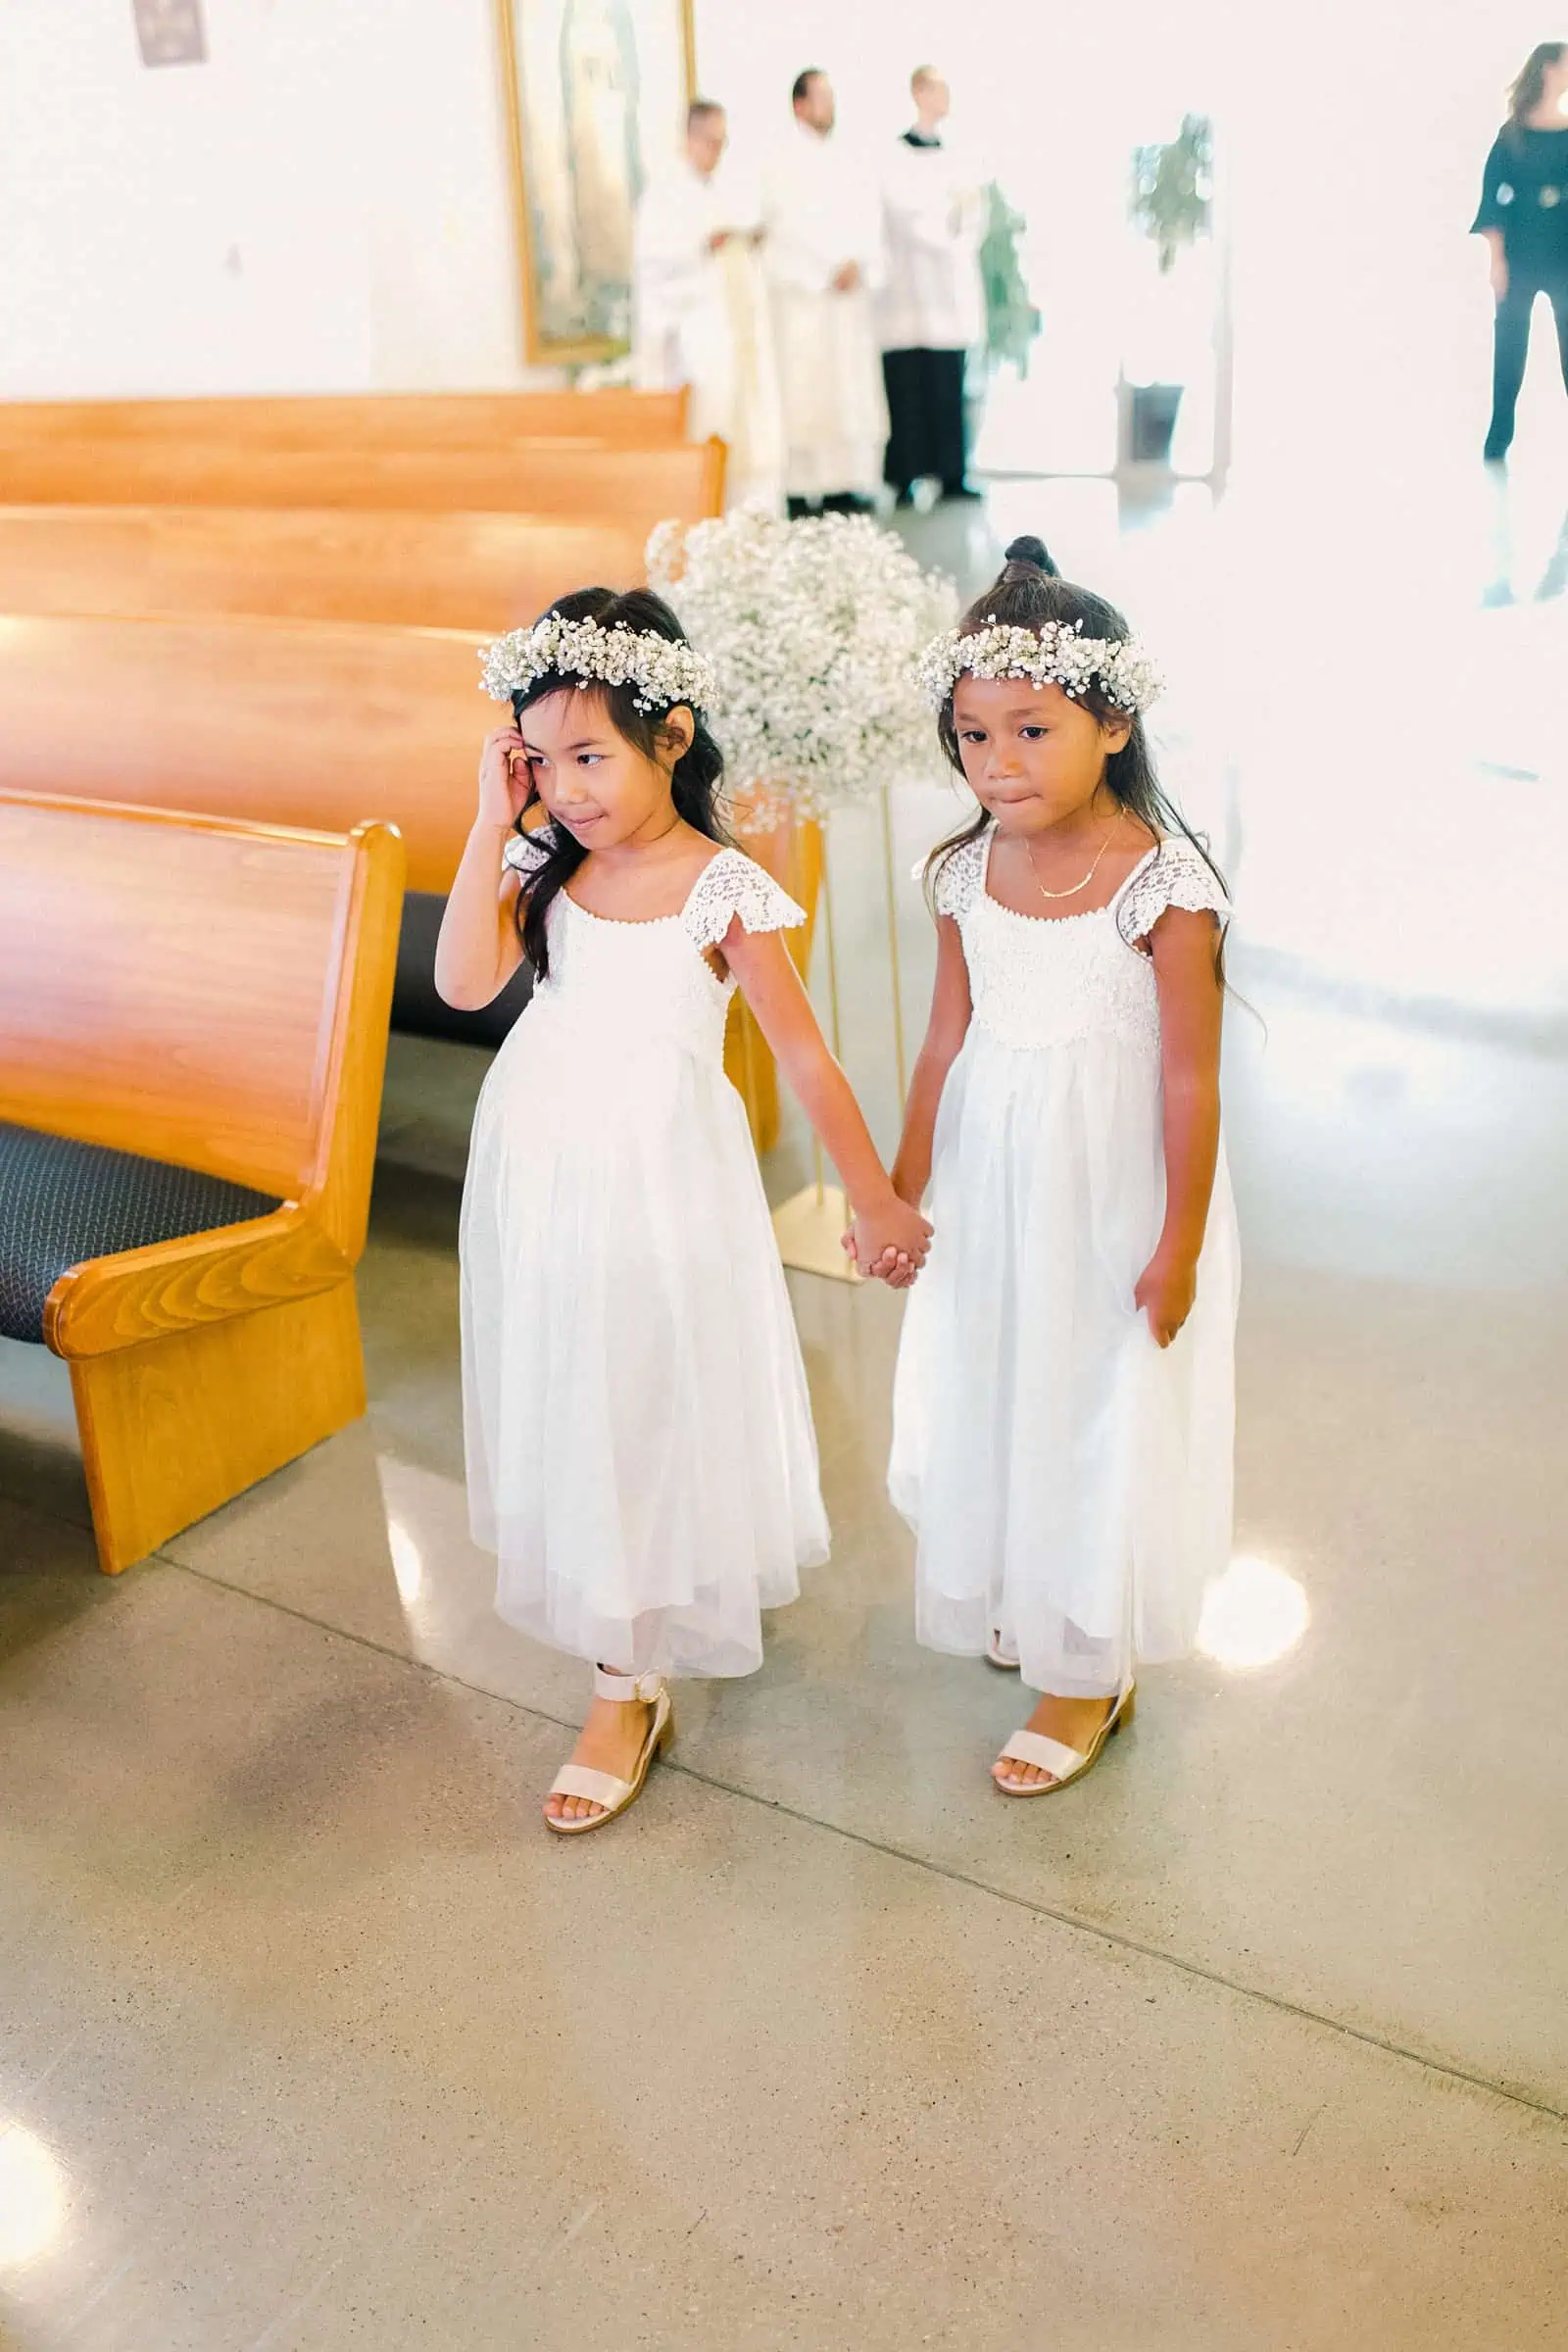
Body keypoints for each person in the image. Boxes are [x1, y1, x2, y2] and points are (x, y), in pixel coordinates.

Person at [436, 588, 932, 1835]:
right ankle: (622, 1660)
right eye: (540, 760)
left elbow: (805, 1058)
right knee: (571, 1383)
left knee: (645, 1388)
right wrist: (493, 821)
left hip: (661, 1170)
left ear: (672, 736)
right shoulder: (538, 859)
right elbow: (462, 982)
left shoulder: (723, 887)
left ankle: (629, 1664)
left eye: (590, 755)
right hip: (542, 1154)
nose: (568, 787)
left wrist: (872, 1197)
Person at [877, 537, 1239, 1797]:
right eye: (973, 737)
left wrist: (1177, 1242)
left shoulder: (1162, 884)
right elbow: (945, 1036)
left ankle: (1087, 1663)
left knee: (1093, 1398)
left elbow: (1189, 1076)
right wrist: (900, 1185)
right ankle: (1030, 1586)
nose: (996, 765)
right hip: (994, 1171)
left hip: (1112, 1180)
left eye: (1029, 731)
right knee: (1002, 1377)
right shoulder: (964, 870)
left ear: (1113, 722)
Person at [632, 99, 784, 512]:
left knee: (743, 414)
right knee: (709, 415)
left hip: (735, 320)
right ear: (689, 139)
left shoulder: (727, 190)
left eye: (722, 142)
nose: (716, 151)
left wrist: (747, 242)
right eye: (710, 141)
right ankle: (702, 502)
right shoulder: (663, 195)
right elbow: (654, 262)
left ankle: (743, 504)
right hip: (693, 326)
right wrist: (703, 246)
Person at [760, 70, 889, 516]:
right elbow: (782, 228)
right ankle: (802, 488)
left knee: (849, 392)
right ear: (799, 104)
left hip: (847, 299)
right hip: (806, 299)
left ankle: (845, 483)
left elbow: (869, 219)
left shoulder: (850, 160)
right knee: (806, 392)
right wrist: (826, 269)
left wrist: (859, 263)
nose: (829, 106)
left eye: (832, 97)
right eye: (821, 98)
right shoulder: (778, 162)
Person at [878, 67, 986, 507]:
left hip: (948, 286)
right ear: (918, 92)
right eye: (938, 88)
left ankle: (951, 474)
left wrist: (957, 229)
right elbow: (903, 210)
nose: (945, 97)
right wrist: (940, 227)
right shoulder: (894, 156)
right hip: (908, 287)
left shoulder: (959, 155)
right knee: (908, 383)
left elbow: (971, 211)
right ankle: (904, 475)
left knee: (947, 383)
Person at [1474, 41, 1568, 463]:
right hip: (1520, 252)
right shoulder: (1512, 132)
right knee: (1510, 344)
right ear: (1549, 68)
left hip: (1564, 251)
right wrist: (1496, 261)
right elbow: (1492, 198)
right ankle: (1500, 433)